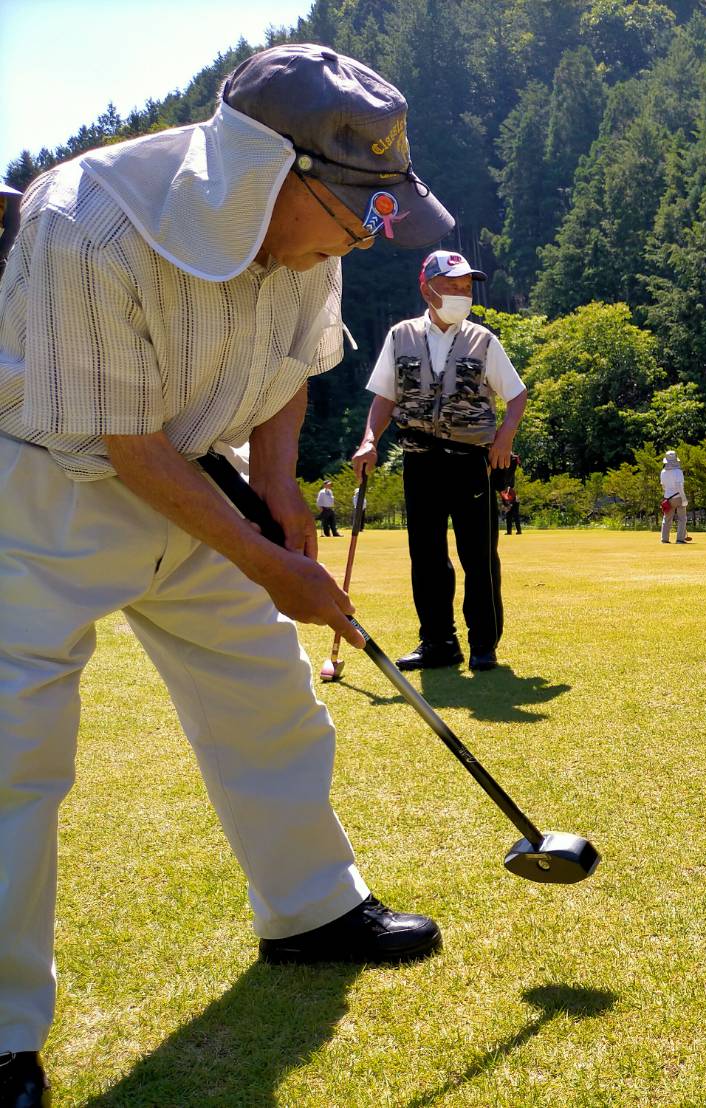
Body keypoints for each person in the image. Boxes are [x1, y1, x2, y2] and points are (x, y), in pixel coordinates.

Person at [0, 44, 454, 1107]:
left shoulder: (312, 243)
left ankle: (311, 909)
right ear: (271, 174)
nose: (370, 231)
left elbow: (290, 369)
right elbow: (126, 446)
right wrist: (264, 559)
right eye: (357, 208)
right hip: (47, 487)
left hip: (200, 470)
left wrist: (282, 493)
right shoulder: (87, 221)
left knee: (269, 699)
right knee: (15, 755)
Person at [353, 250, 527, 673]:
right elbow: (385, 396)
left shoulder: (483, 340)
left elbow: (516, 395)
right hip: (419, 461)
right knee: (426, 555)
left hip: (472, 461)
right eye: (452, 286)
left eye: (466, 287)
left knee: (478, 555)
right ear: (426, 287)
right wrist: (369, 439)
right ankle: (438, 643)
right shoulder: (400, 336)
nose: (461, 294)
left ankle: (484, 644)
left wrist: (505, 437)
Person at [660, 449, 691, 544]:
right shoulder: (678, 472)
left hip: (667, 498)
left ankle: (664, 539)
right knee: (682, 519)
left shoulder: (663, 472)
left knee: (667, 519)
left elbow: (663, 486)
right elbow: (679, 486)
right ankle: (680, 539)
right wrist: (684, 498)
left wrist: (668, 493)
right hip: (678, 497)